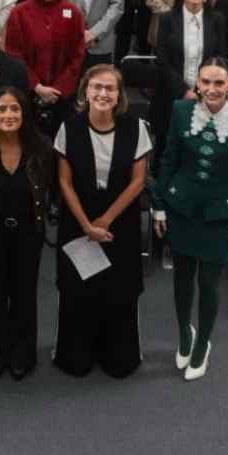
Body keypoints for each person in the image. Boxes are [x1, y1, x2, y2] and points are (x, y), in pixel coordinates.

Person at [153, 58, 228, 378]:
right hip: (181, 208)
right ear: (197, 84)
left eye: (219, 83)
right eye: (206, 82)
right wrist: (159, 204)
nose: (211, 89)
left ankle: (204, 345)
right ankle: (186, 336)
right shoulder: (180, 111)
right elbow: (168, 158)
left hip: (221, 214)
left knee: (209, 283)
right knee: (182, 278)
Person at [51, 65, 150, 378]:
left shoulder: (136, 127)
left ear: (119, 95)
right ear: (85, 91)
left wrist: (104, 221)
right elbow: (64, 183)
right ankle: (75, 352)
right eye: (97, 87)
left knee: (119, 291)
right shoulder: (70, 128)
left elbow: (138, 182)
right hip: (78, 223)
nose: (103, 94)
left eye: (110, 88)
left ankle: (118, 353)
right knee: (78, 291)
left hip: (120, 222)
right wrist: (86, 226)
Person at [0, 86, 53, 379]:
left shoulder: (41, 147)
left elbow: (51, 190)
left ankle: (22, 351)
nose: (8, 115)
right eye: (2, 109)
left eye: (15, 109)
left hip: (29, 233)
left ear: (24, 113)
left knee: (24, 293)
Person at [5, 0, 86, 137]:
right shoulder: (18, 14)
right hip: (28, 96)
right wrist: (37, 86)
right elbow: (14, 54)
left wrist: (59, 89)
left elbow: (78, 55)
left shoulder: (72, 12)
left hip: (63, 96)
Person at [153, 0, 228, 143]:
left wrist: (203, 89)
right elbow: (162, 61)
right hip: (171, 94)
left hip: (208, 94)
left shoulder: (217, 19)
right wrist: (184, 91)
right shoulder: (167, 19)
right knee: (167, 146)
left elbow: (220, 58)